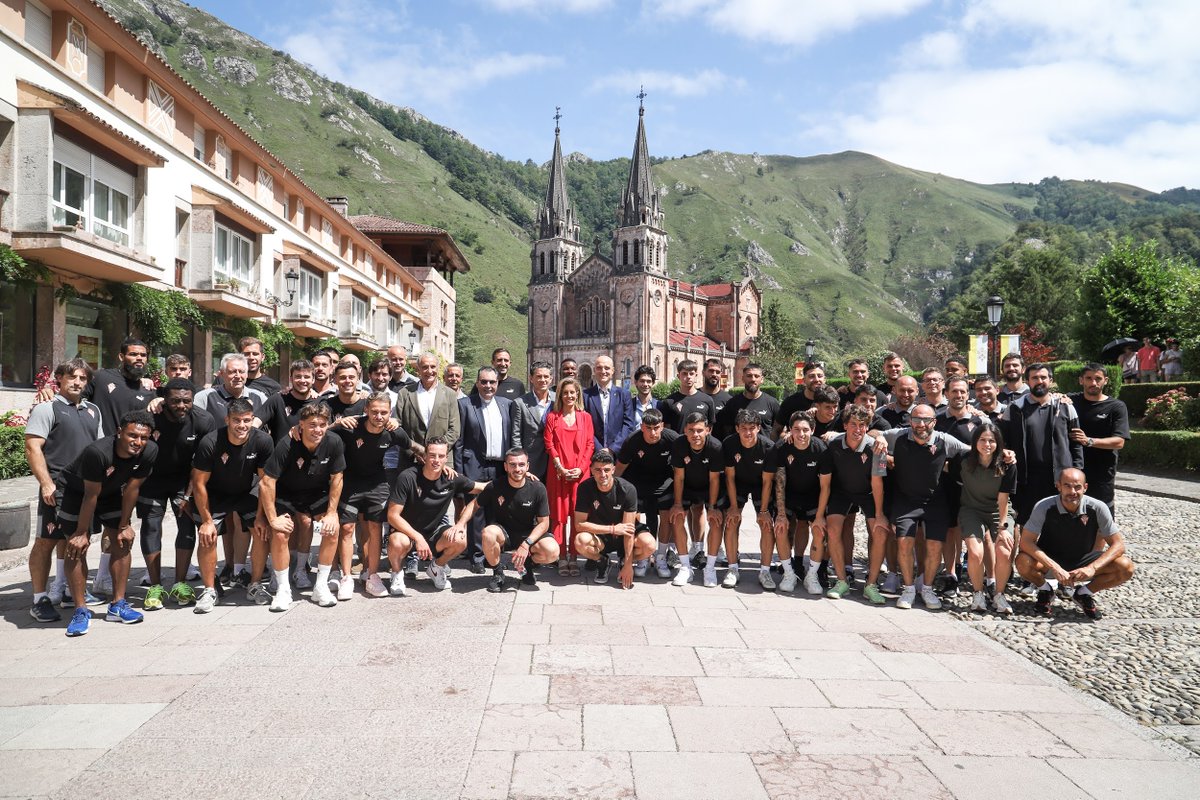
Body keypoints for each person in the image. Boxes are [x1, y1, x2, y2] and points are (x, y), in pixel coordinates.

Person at [56, 411, 159, 636]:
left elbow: (132, 488)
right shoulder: (98, 452)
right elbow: (90, 496)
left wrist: (124, 525)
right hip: (77, 492)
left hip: (111, 490)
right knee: (76, 547)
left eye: (143, 437)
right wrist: (82, 532)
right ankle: (80, 610)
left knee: (123, 542)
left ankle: (118, 604)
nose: (138, 442)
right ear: (119, 432)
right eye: (132, 435)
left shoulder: (149, 450)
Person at [25, 359, 103, 623]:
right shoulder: (47, 408)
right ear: (59, 378)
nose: (78, 382)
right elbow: (33, 448)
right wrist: (46, 482)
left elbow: (99, 448)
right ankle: (39, 598)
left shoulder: (93, 410)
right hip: (56, 489)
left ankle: (72, 591)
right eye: (72, 377)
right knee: (46, 541)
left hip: (85, 490)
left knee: (79, 540)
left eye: (82, 378)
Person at [878, 405, 971, 610]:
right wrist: (879, 437)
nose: (921, 425)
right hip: (906, 500)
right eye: (916, 419)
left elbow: (973, 451)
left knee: (935, 546)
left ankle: (927, 588)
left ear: (934, 422)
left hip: (934, 500)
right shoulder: (898, 435)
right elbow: (874, 433)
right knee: (903, 542)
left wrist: (1004, 453)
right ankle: (909, 589)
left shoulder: (944, 440)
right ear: (910, 420)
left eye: (925, 420)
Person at [258, 401, 345, 612]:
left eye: (322, 424)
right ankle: (283, 589)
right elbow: (266, 483)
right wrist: (271, 519)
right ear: (301, 425)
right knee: (279, 533)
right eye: (313, 424)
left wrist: (332, 513)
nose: (318, 430)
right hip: (286, 494)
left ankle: (320, 586)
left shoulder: (333, 442)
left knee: (332, 529)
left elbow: (337, 478)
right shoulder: (286, 444)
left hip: (316, 494)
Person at [190, 398, 275, 611]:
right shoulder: (210, 442)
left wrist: (261, 516)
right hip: (216, 493)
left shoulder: (263, 440)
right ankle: (209, 590)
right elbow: (199, 483)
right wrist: (207, 521)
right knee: (207, 536)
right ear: (227, 419)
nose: (242, 425)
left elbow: (266, 482)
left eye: (247, 420)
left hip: (247, 491)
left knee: (261, 530)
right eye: (237, 420)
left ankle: (255, 584)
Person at [1016, 468, 1135, 619]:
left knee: (1126, 567)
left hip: (1084, 560)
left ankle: (1084, 594)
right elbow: (1025, 542)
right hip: (1050, 559)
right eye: (1067, 486)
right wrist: (1055, 567)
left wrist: (1092, 568)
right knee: (1022, 561)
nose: (1072, 491)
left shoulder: (1098, 507)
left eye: (1077, 487)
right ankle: (1045, 591)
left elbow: (1118, 545)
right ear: (1058, 486)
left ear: (1085, 487)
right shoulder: (1044, 506)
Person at [137, 379, 215, 611]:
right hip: (152, 480)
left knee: (187, 526)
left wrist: (190, 492)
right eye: (175, 401)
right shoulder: (151, 416)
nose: (181, 405)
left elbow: (203, 462)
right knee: (151, 526)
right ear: (165, 400)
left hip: (184, 479)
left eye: (186, 401)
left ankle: (180, 583)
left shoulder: (203, 420)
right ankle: (156, 586)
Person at [335, 392, 417, 599]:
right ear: (366, 410)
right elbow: (320, 435)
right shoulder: (351, 426)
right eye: (374, 412)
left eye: (383, 412)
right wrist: (335, 423)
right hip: (351, 481)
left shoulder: (394, 431)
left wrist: (438, 465)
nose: (379, 416)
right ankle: (346, 577)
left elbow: (411, 447)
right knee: (346, 528)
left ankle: (372, 576)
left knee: (375, 528)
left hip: (377, 483)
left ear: (390, 413)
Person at [386, 438, 486, 594]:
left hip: (434, 532)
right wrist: (418, 538)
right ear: (424, 456)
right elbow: (392, 516)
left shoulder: (451, 478)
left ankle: (436, 567)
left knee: (460, 539)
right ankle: (397, 573)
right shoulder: (407, 477)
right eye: (432, 455)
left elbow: (482, 487)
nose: (436, 460)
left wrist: (518, 476)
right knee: (397, 542)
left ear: (447, 458)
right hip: (407, 532)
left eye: (441, 456)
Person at [811, 405, 887, 602]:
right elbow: (825, 485)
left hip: (868, 492)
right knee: (833, 530)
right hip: (841, 492)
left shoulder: (877, 448)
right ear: (845, 425)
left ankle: (871, 585)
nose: (858, 429)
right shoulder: (834, 445)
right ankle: (842, 581)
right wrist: (819, 516)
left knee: (879, 531)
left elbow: (877, 483)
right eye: (853, 424)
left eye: (862, 425)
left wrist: (879, 515)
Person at [1003, 363, 1084, 529]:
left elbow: (1076, 445)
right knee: (1025, 526)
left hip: (1059, 480)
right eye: (1034, 378)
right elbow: (1004, 442)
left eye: (1043, 377)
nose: (1039, 381)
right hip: (1026, 481)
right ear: (1028, 381)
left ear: (1051, 380)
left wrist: (1077, 472)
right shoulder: (1014, 409)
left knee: (1059, 526)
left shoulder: (1066, 407)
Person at [457, 367, 516, 573]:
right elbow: (458, 442)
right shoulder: (464, 405)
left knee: (497, 509)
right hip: (474, 464)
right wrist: (459, 474)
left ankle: (494, 555)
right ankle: (477, 556)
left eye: (492, 382)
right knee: (475, 510)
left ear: (497, 383)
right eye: (484, 382)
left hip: (499, 466)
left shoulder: (507, 405)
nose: (488, 386)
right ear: (477, 382)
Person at [573, 450, 656, 589]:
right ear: (591, 470)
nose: (603, 474)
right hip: (601, 535)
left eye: (606, 470)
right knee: (580, 541)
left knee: (650, 545)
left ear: (613, 469)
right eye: (598, 470)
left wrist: (629, 566)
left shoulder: (628, 489)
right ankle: (602, 561)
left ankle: (624, 561)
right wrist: (612, 529)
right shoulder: (585, 488)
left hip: (624, 534)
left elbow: (628, 530)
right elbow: (579, 525)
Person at [719, 409, 783, 590]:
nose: (748, 432)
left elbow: (767, 482)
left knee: (766, 524)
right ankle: (732, 569)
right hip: (738, 483)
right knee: (731, 521)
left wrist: (763, 511)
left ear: (758, 428)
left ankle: (764, 571)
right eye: (744, 428)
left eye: (752, 428)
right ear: (737, 429)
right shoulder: (729, 444)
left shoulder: (768, 447)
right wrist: (733, 507)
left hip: (760, 485)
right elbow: (730, 478)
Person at [958, 421, 1017, 615]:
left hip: (998, 513)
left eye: (991, 440)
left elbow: (1003, 499)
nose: (987, 444)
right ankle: (978, 593)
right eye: (982, 440)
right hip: (971, 510)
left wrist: (1002, 528)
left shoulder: (1007, 465)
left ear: (998, 443)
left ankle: (999, 594)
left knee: (1005, 551)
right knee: (975, 553)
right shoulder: (964, 460)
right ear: (975, 442)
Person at [478, 448, 556, 592]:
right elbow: (474, 504)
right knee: (487, 533)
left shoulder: (538, 488)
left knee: (552, 551)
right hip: (505, 533)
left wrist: (526, 545)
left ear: (527, 466)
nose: (517, 469)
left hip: (529, 535)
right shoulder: (495, 486)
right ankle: (498, 572)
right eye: (512, 465)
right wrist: (460, 524)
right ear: (505, 466)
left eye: (521, 464)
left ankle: (528, 564)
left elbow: (544, 523)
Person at [615, 408, 679, 580]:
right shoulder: (632, 441)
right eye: (648, 428)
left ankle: (660, 557)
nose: (653, 432)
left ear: (662, 426)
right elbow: (619, 469)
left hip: (663, 481)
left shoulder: (672, 439)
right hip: (637, 482)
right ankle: (642, 556)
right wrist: (611, 493)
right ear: (642, 427)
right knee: (633, 517)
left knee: (666, 516)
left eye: (656, 427)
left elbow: (681, 470)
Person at [771, 411, 830, 594]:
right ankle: (789, 573)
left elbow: (826, 486)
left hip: (813, 495)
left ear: (812, 430)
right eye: (796, 429)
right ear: (790, 430)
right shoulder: (782, 447)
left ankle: (811, 576)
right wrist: (781, 515)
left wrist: (820, 517)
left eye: (805, 429)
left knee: (819, 531)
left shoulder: (821, 449)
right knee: (780, 528)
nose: (801, 434)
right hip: (789, 494)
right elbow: (779, 482)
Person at [544, 377, 594, 576]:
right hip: (558, 473)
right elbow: (549, 444)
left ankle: (574, 556)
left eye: (573, 392)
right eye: (565, 393)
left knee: (577, 515)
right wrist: (560, 467)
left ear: (578, 394)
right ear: (560, 395)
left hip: (579, 474)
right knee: (558, 517)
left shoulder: (586, 417)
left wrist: (581, 469)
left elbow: (590, 445)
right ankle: (561, 556)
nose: (569, 396)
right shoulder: (552, 417)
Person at [670, 411, 725, 587]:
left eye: (700, 430)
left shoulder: (715, 446)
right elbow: (678, 477)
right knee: (677, 518)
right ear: (685, 430)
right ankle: (686, 567)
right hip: (688, 486)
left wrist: (714, 506)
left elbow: (714, 479)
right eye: (692, 430)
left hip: (710, 488)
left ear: (707, 430)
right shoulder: (679, 444)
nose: (696, 435)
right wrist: (678, 504)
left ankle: (710, 567)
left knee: (716, 521)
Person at [1068, 363, 1130, 516]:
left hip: (1102, 472)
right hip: (1073, 470)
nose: (1093, 383)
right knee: (1072, 514)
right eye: (1089, 378)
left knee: (1102, 516)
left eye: (1098, 378)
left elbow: (1119, 441)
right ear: (1081, 380)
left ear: (1106, 380)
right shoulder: (1070, 401)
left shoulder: (1116, 407)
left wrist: (1088, 441)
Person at [83, 336, 154, 437]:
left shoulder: (148, 391)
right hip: (99, 447)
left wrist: (159, 400)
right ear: (121, 357)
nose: (139, 358)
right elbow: (73, 397)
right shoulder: (101, 377)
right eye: (133, 354)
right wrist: (51, 390)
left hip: (129, 450)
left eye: (143, 355)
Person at [583, 355, 636, 454]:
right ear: (594, 371)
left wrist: (612, 449)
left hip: (618, 453)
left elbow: (628, 425)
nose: (603, 371)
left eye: (607, 368)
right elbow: (584, 426)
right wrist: (599, 449)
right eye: (599, 368)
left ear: (613, 370)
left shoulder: (624, 394)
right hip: (593, 453)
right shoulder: (585, 395)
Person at [512, 361, 555, 481]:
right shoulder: (520, 403)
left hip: (554, 461)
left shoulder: (558, 400)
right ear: (531, 378)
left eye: (546, 376)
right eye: (539, 376)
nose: (543, 380)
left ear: (551, 379)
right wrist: (521, 464)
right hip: (531, 461)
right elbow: (516, 436)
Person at [259, 360, 319, 444]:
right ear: (291, 379)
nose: (302, 380)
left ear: (313, 380)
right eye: (298, 376)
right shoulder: (278, 399)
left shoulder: (319, 403)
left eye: (306, 377)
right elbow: (256, 423)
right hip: (281, 456)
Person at [193, 353, 268, 420]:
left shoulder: (260, 398)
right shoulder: (205, 397)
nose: (238, 376)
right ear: (222, 374)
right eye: (232, 372)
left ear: (247, 374)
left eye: (241, 372)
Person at [719, 362, 781, 440]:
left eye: (756, 376)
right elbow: (726, 431)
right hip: (740, 451)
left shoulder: (772, 403)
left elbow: (778, 429)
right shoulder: (732, 403)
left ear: (761, 379)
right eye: (749, 376)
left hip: (765, 451)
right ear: (743, 378)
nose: (753, 379)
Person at [659, 359, 715, 433]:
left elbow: (709, 427)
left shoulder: (707, 400)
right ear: (678, 376)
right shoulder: (669, 401)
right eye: (684, 373)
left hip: (699, 443)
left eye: (691, 373)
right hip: (677, 444)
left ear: (696, 376)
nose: (688, 377)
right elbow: (666, 429)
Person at [775, 362, 825, 437]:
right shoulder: (791, 402)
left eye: (820, 376)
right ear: (804, 380)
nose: (816, 379)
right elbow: (777, 430)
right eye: (811, 376)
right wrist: (786, 436)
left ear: (825, 379)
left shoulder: (832, 401)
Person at [701, 358, 734, 427]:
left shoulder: (728, 400)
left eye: (718, 372)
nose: (714, 374)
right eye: (711, 371)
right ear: (703, 373)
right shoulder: (694, 396)